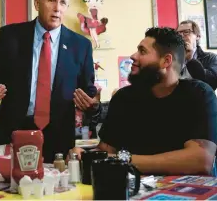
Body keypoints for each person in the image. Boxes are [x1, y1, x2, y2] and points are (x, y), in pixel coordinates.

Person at [0, 0, 97, 163]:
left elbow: (89, 94)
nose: (57, 8)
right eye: (51, 0)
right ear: (37, 3)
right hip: (14, 134)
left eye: (63, 3)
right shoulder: (9, 37)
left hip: (59, 140)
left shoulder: (81, 45)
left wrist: (93, 106)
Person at [71, 27, 217, 175]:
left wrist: (124, 161)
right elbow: (106, 152)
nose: (133, 56)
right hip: (134, 192)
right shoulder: (124, 98)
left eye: (142, 51)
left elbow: (201, 160)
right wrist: (84, 155)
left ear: (166, 61)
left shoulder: (198, 94)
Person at [176, 20, 217, 90]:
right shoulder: (172, 57)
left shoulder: (210, 57)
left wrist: (190, 59)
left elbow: (212, 83)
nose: (181, 35)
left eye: (186, 32)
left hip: (200, 99)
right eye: (178, 33)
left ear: (198, 36)